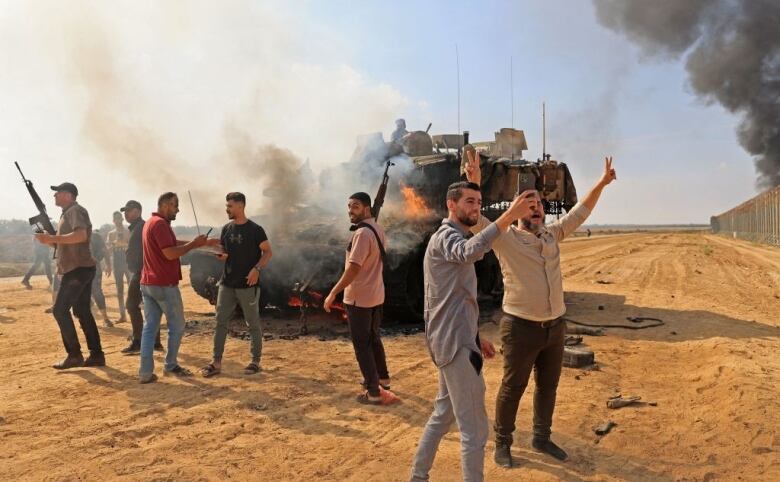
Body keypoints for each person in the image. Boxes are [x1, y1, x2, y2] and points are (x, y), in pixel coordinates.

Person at [465, 152, 617, 467]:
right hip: (521, 328)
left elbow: (581, 211)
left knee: (548, 387)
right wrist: (474, 182)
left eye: (538, 204)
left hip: (555, 327)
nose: (535, 208)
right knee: (513, 387)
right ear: (516, 211)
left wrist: (602, 183)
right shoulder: (504, 239)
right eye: (527, 204)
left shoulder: (553, 234)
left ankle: (541, 437)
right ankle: (503, 443)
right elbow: (477, 221)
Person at [410, 182, 537, 482]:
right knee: (475, 431)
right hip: (454, 345)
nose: (476, 207)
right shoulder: (445, 237)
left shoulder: (451, 237)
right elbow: (468, 252)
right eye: (469, 201)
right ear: (450, 205)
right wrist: (508, 216)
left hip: (456, 339)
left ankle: (417, 476)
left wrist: (475, 336)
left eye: (479, 201)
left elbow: (450, 299)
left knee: (443, 415)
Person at [138, 192, 217, 384]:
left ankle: (145, 372)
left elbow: (171, 244)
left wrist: (201, 244)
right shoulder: (161, 224)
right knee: (177, 326)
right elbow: (170, 253)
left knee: (149, 328)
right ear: (164, 205)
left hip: (148, 284)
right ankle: (171, 365)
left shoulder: (150, 222)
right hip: (164, 284)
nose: (177, 209)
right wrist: (194, 244)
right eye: (175, 205)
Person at [323, 192, 390, 405]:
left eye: (356, 206)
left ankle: (373, 392)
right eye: (350, 206)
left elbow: (353, 268)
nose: (351, 210)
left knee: (362, 345)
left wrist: (334, 292)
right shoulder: (377, 229)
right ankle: (383, 379)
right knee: (373, 338)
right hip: (376, 295)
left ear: (367, 208)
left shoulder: (362, 233)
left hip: (359, 297)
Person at [200, 192, 272, 377]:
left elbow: (268, 252)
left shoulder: (256, 230)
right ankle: (216, 362)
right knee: (220, 322)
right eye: (227, 206)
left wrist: (256, 269)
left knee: (253, 323)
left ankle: (255, 361)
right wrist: (220, 255)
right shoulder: (226, 229)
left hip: (247, 284)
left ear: (241, 206)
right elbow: (226, 253)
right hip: (227, 283)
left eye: (230, 206)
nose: (227, 209)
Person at [35, 182, 105, 369]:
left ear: (68, 195)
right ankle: (96, 355)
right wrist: (48, 240)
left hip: (78, 269)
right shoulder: (66, 215)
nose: (55, 196)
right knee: (82, 311)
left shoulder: (75, 211)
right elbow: (63, 244)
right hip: (79, 268)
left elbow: (81, 235)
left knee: (60, 310)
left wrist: (52, 238)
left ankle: (74, 355)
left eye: (57, 193)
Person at [119, 200, 162, 354]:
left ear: (137, 211)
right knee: (150, 307)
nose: (125, 214)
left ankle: (138, 340)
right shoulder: (136, 228)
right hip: (142, 271)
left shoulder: (141, 227)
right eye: (125, 211)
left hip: (142, 272)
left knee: (132, 305)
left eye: (128, 211)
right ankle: (154, 341)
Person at [107, 211, 131, 323]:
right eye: (115, 219)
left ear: (122, 219)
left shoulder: (128, 231)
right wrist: (114, 243)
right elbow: (108, 250)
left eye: (119, 218)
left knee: (133, 287)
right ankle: (123, 315)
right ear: (113, 221)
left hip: (127, 259)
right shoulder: (111, 234)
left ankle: (135, 313)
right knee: (119, 289)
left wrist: (124, 243)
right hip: (117, 260)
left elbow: (133, 246)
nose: (117, 221)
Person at [89, 231, 113, 327]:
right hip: (80, 269)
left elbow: (105, 251)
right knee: (85, 293)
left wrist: (108, 265)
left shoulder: (95, 236)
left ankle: (106, 319)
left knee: (97, 292)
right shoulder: (74, 235)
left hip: (94, 268)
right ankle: (87, 319)